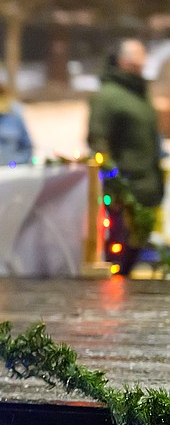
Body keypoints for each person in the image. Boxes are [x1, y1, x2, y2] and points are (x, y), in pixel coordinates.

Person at [88, 38, 166, 275]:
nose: (141, 62)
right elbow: (98, 141)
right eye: (136, 57)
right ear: (123, 60)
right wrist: (114, 179)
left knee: (136, 254)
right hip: (123, 192)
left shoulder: (139, 93)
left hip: (145, 188)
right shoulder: (109, 96)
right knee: (118, 256)